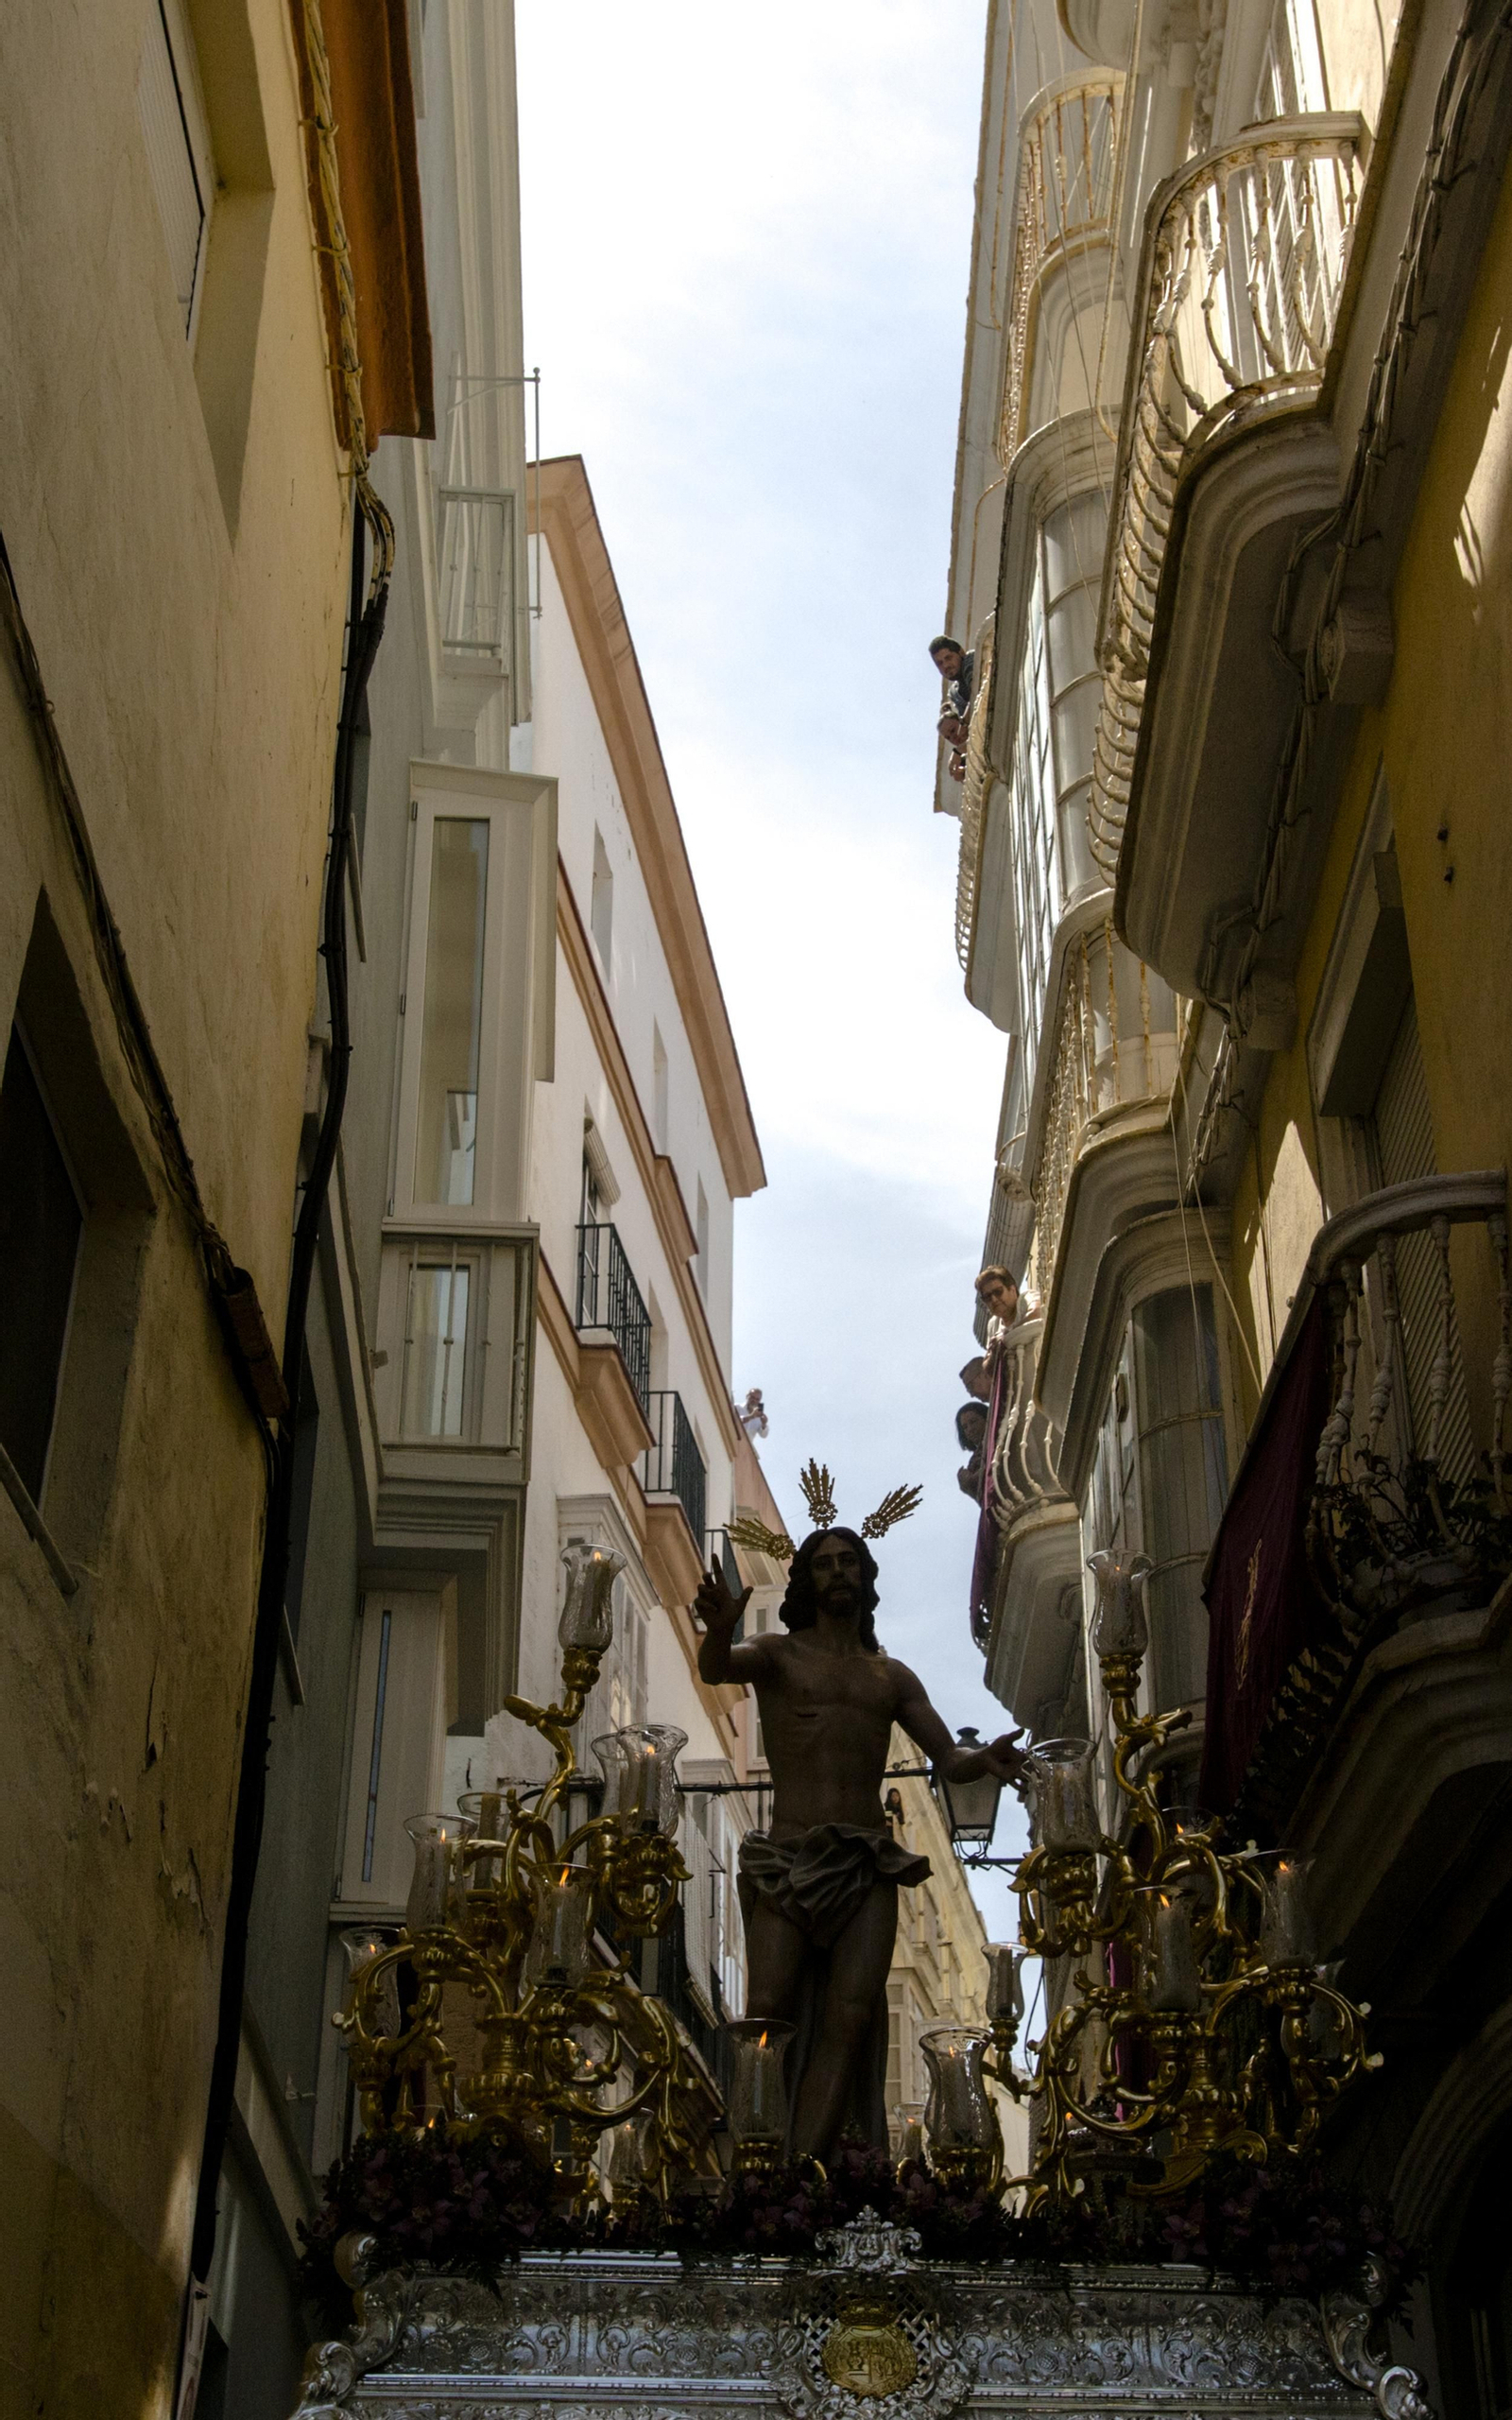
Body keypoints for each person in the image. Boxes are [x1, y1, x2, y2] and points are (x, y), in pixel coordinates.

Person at [696, 1529, 1024, 2160]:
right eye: (824, 1565)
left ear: (866, 1576)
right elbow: (717, 1669)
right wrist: (717, 1628)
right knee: (766, 2009)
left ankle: (800, 2175)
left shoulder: (891, 1678)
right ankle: (757, 2164)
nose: (838, 1573)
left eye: (849, 1563)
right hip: (788, 1859)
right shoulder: (777, 1655)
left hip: (866, 1863)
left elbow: (946, 1757)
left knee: (852, 2018)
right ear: (806, 1581)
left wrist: (982, 1758)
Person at [930, 636, 974, 783]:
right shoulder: (955, 692)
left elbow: (980, 694)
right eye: (940, 664)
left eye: (948, 658)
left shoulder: (970, 660)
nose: (946, 666)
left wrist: (959, 751)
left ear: (960, 653)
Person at [955, 1400, 989, 1501]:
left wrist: (971, 1480)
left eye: (973, 1422)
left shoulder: (998, 1440)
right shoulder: (974, 1461)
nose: (970, 1429)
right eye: (965, 1427)